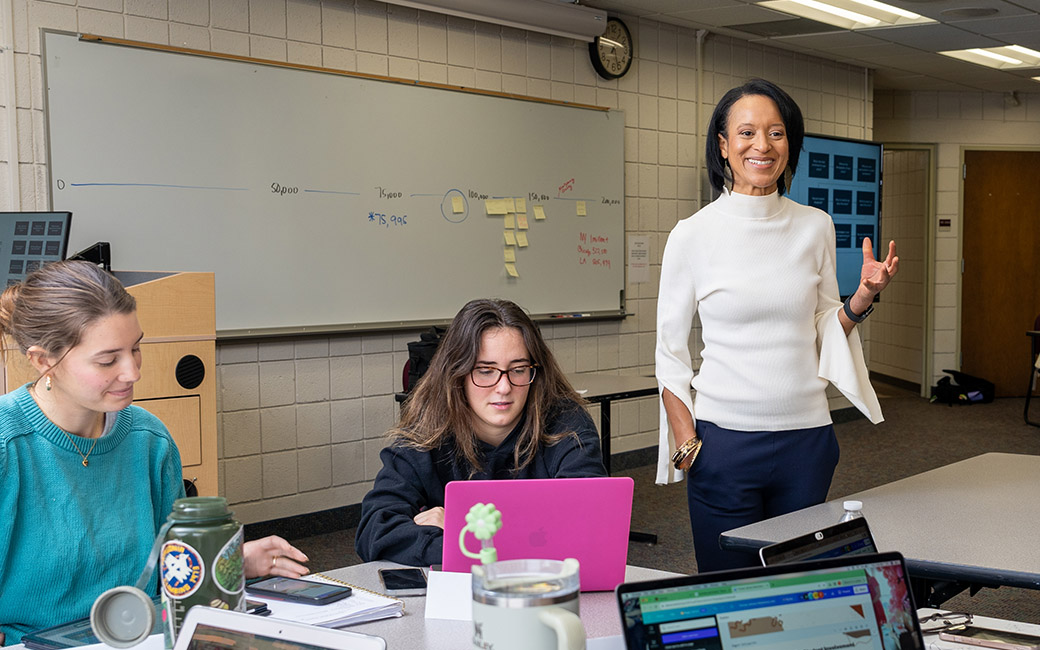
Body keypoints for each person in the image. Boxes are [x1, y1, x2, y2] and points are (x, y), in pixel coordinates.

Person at [655, 79, 899, 572]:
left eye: (776, 133)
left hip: (806, 441)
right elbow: (670, 352)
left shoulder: (816, 226)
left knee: (797, 586)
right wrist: (688, 446)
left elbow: (823, 327)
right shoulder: (692, 235)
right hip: (723, 441)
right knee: (729, 587)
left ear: (791, 144)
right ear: (723, 146)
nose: (762, 145)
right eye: (746, 132)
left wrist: (862, 298)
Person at [0, 261, 309, 646]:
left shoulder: (148, 438)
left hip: (146, 637)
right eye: (108, 359)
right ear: (43, 360)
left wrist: (227, 564)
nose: (132, 372)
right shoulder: (7, 444)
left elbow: (168, 574)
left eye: (136, 348)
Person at [355, 298, 607, 566]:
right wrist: (518, 541)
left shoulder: (566, 424)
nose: (503, 387)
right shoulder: (428, 429)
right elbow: (376, 531)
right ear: (457, 373)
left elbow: (590, 523)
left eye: (518, 370)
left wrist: (461, 528)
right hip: (453, 596)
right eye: (485, 371)